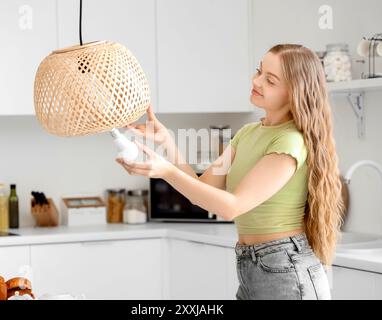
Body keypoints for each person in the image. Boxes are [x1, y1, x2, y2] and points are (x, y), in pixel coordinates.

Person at [115, 44, 345, 300]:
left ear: (294, 93)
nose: (256, 81)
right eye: (259, 71)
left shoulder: (289, 142)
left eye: (270, 80)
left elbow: (231, 207)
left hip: (285, 269)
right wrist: (167, 142)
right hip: (253, 265)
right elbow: (203, 189)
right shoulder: (247, 134)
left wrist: (167, 172)